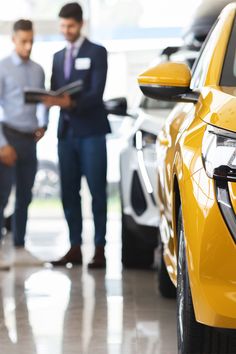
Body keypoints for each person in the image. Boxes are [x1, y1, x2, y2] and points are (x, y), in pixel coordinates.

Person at [43, 2, 110, 268]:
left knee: (97, 192)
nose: (65, 30)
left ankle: (100, 248)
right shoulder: (58, 56)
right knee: (68, 191)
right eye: (62, 26)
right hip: (66, 134)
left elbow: (96, 93)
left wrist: (71, 103)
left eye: (70, 26)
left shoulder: (97, 52)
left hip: (91, 131)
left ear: (80, 24)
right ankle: (74, 247)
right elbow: (54, 91)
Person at [0, 19, 48, 267]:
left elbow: (43, 101)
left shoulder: (38, 70)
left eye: (31, 41)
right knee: (2, 195)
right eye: (23, 41)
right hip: (8, 138)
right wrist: (1, 144)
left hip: (30, 139)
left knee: (25, 195)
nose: (28, 46)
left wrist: (43, 123)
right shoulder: (3, 67)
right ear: (13, 40)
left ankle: (19, 247)